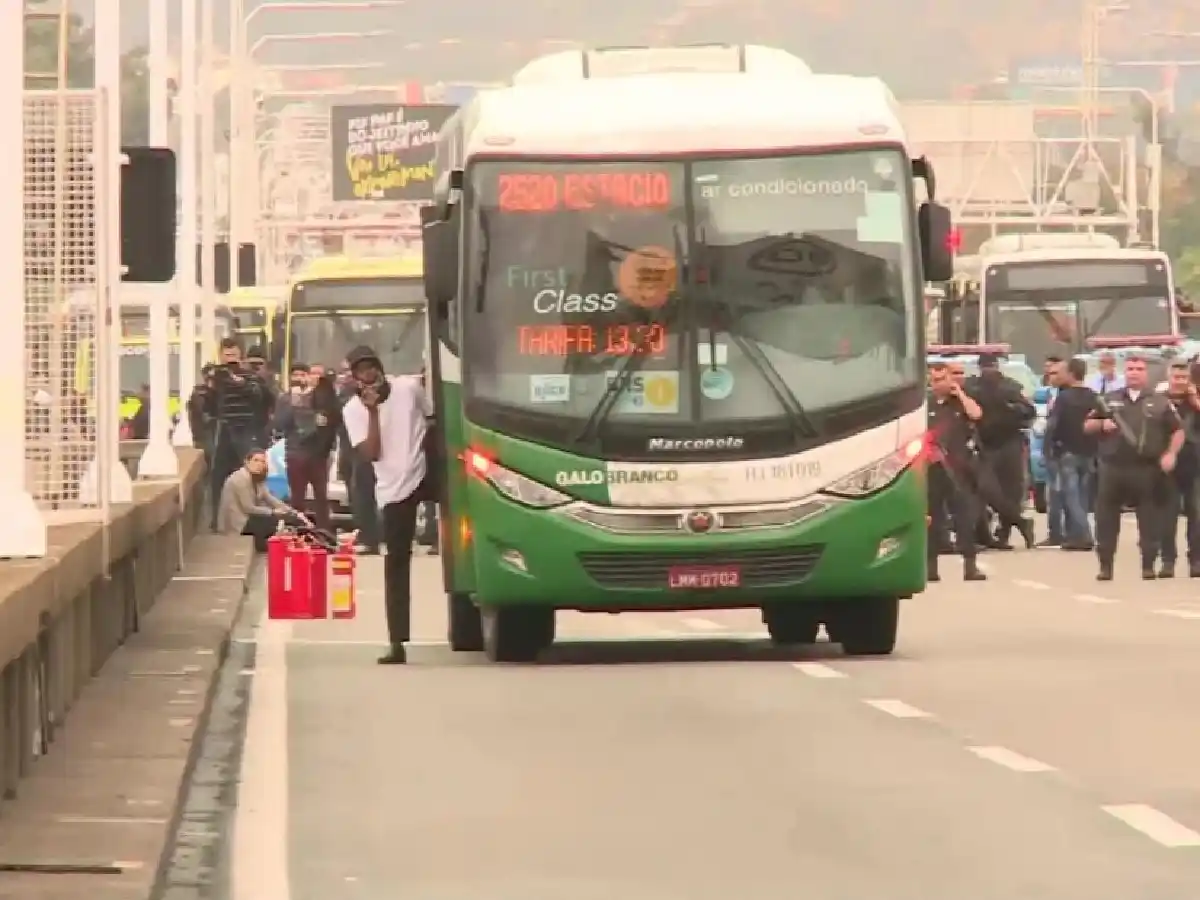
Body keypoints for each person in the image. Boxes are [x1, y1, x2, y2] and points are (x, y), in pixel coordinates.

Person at [342, 345, 433, 665]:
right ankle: (397, 641)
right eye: (361, 371)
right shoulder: (353, 410)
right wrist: (373, 412)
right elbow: (371, 454)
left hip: (426, 470)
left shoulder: (408, 389)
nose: (369, 374)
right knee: (396, 561)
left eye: (372, 367)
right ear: (355, 378)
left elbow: (432, 414)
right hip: (393, 487)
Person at [1084, 355, 1184, 580]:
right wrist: (1101, 424)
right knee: (1106, 518)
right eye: (1130, 369)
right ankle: (1105, 566)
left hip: (1146, 468)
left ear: (1145, 373)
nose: (1134, 373)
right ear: (1124, 372)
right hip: (1113, 467)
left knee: (1149, 519)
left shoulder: (1159, 401)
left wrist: (1170, 453)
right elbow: (1087, 425)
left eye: (1139, 369)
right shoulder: (1109, 399)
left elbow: (1177, 430)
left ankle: (1148, 565)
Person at [192, 338, 271, 530]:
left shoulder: (250, 377)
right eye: (226, 356)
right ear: (220, 356)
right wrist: (209, 387)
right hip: (223, 430)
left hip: (245, 430)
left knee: (249, 474)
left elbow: (259, 396)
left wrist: (240, 382)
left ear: (241, 357)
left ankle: (252, 518)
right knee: (218, 476)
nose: (230, 360)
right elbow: (207, 407)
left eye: (234, 356)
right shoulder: (216, 378)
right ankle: (217, 521)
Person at [965, 352, 1036, 549]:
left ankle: (1004, 533)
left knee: (1010, 490)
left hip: (1009, 442)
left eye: (992, 367)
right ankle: (1020, 523)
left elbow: (1029, 411)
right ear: (981, 368)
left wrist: (1013, 408)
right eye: (987, 367)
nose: (990, 371)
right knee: (988, 490)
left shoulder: (1010, 387)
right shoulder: (971, 387)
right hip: (984, 444)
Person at [926, 362, 987, 582]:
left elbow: (977, 414)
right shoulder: (926, 404)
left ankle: (970, 566)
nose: (936, 384)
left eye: (941, 379)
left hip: (959, 468)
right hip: (932, 468)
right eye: (933, 380)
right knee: (932, 519)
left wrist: (959, 393)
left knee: (964, 518)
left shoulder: (960, 402)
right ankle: (930, 567)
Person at [275, 362, 341, 532]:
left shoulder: (319, 396)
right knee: (297, 497)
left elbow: (329, 419)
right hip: (295, 452)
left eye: (302, 374)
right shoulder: (285, 398)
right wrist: (294, 404)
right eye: (295, 375)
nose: (298, 378)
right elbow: (280, 424)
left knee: (321, 496)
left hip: (317, 454)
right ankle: (299, 531)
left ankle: (324, 532)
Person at [1042, 357, 1096, 551]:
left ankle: (1085, 534)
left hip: (1068, 452)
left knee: (1070, 496)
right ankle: (1075, 536)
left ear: (1071, 374)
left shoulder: (1064, 398)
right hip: (1089, 452)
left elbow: (1053, 424)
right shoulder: (1093, 395)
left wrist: (1048, 448)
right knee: (1082, 496)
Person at [1155, 362, 1200, 577]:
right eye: (1176, 377)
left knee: (1196, 514)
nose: (1180, 381)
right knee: (1167, 515)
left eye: (1184, 377)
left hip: (1195, 464)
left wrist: (1194, 400)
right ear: (1169, 377)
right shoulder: (1159, 400)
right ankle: (1167, 561)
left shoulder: (1195, 400)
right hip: (1168, 465)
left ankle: (1196, 560)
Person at [216, 448, 309, 551]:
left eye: (263, 461)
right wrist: (273, 512)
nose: (259, 464)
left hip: (250, 518)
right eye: (256, 460)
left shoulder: (258, 477)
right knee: (272, 521)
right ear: (247, 462)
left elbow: (270, 498)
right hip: (238, 522)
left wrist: (294, 513)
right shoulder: (239, 479)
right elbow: (248, 508)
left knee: (285, 520)